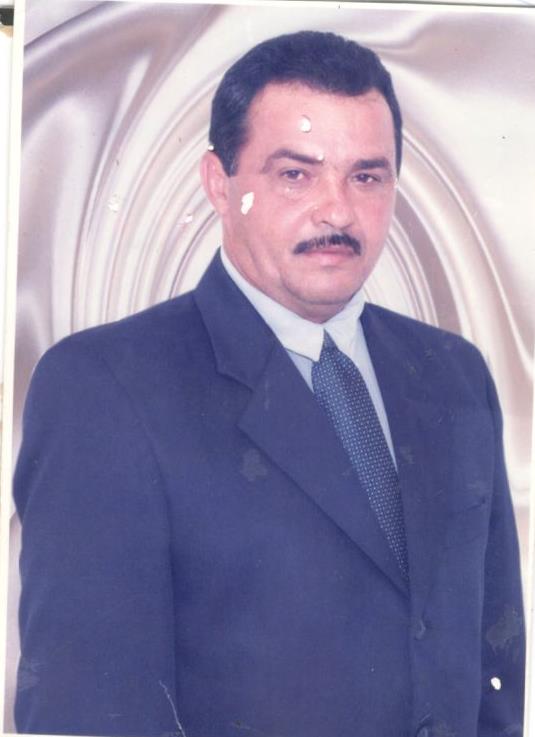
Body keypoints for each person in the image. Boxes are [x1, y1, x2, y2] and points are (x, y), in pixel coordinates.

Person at [13, 31, 524, 737]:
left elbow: (493, 672)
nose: (336, 212)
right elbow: (86, 711)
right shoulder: (105, 389)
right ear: (218, 184)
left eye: (366, 177)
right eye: (295, 174)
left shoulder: (454, 375)